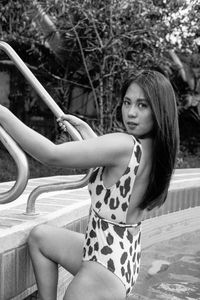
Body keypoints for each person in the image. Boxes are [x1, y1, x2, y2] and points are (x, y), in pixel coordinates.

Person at [0, 69, 179, 300]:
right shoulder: (154, 150)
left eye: (142, 105)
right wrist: (84, 129)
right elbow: (112, 166)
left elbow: (51, 154)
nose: (131, 112)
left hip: (103, 270)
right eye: (127, 102)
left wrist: (4, 115)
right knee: (40, 237)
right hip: (116, 257)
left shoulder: (125, 145)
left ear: (159, 110)